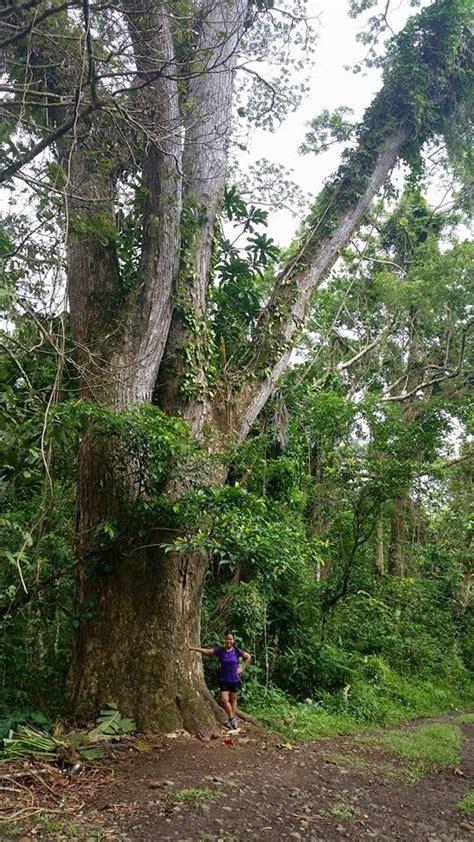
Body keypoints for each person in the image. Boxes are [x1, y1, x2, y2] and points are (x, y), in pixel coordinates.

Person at [189, 632, 251, 730]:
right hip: (224, 679)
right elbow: (208, 651)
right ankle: (232, 718)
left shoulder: (236, 651)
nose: (229, 641)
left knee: (233, 699)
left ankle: (232, 721)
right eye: (227, 639)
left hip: (234, 679)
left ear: (233, 641)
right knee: (224, 700)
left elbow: (248, 657)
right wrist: (194, 649)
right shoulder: (220, 651)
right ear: (225, 640)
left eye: (231, 639)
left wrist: (242, 668)